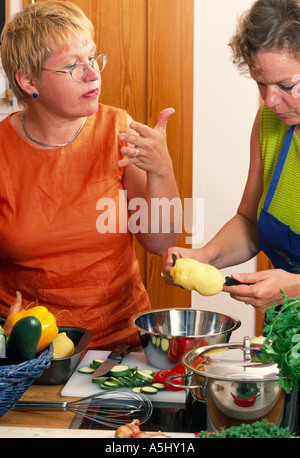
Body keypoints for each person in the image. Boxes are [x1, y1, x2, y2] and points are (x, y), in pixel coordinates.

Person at [0, 1, 180, 350]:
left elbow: (160, 242)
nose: (93, 74)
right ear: (28, 80)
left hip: (121, 344)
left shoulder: (118, 128)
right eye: (73, 66)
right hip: (29, 349)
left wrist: (161, 168)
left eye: (93, 59)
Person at [163, 0, 300, 314]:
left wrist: (295, 286)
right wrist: (206, 255)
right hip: (288, 333)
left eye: (287, 85)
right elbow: (249, 222)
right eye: (260, 84)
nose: (269, 100)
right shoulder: (270, 123)